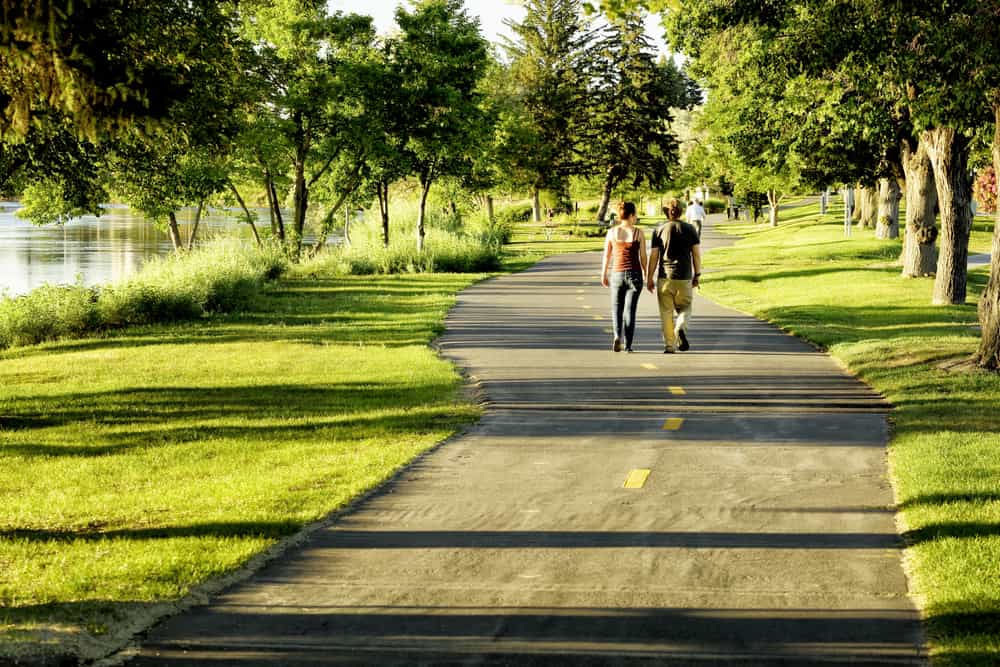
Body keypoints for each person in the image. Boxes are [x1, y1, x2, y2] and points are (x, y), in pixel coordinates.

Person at [648, 198, 702, 353]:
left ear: (666, 212)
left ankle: (669, 345)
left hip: (665, 278)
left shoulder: (659, 230)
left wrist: (649, 277)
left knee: (666, 312)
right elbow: (696, 255)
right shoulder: (690, 229)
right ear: (682, 212)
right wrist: (697, 274)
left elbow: (654, 256)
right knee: (685, 307)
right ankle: (680, 327)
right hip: (684, 277)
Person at [601, 201, 648, 353]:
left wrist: (603, 273)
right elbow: (643, 256)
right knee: (630, 310)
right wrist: (646, 272)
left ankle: (617, 336)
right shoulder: (638, 233)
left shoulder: (612, 232)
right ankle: (628, 345)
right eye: (635, 215)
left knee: (616, 308)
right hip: (634, 274)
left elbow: (607, 256)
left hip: (617, 274)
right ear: (632, 215)